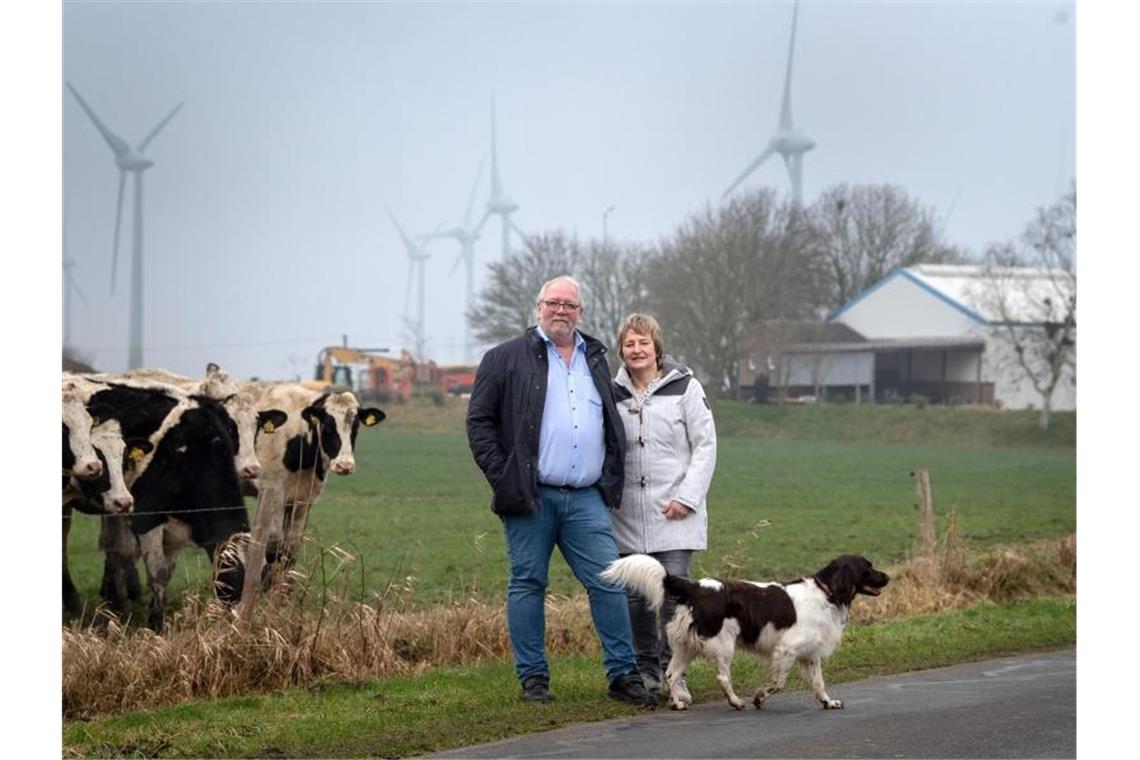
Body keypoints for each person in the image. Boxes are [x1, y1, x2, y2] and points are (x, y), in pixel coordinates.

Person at [466, 275, 656, 707]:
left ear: (581, 313)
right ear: (538, 308)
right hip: (529, 494)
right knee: (528, 583)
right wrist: (505, 476)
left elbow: (608, 421)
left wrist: (608, 471)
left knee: (609, 581)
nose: (561, 311)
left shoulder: (595, 359)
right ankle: (533, 679)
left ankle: (622, 675)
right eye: (553, 303)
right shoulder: (504, 358)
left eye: (570, 305)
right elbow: (479, 422)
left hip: (586, 496)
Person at [610, 313, 717, 700]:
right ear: (621, 350)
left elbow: (706, 445)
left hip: (675, 513)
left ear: (657, 347)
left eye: (643, 343)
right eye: (629, 344)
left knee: (674, 601)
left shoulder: (686, 388)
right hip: (627, 516)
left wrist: (687, 498)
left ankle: (675, 674)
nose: (636, 350)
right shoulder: (612, 392)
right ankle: (646, 670)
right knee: (637, 598)